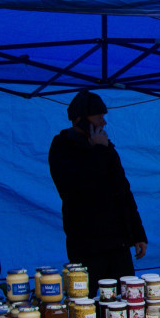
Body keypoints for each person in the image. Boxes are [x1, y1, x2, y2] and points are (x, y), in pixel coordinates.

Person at [49, 90, 147, 298]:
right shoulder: (62, 147)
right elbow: (75, 188)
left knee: (126, 302)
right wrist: (99, 152)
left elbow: (123, 192)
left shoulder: (106, 147)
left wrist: (138, 234)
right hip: (87, 246)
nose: (104, 122)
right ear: (80, 119)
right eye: (99, 116)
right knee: (90, 304)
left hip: (118, 243)